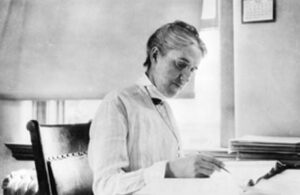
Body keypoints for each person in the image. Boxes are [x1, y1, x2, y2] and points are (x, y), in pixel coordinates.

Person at [88, 20, 225, 195]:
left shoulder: (163, 107)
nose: (186, 77)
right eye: (181, 64)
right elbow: (105, 187)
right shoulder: (117, 103)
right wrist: (169, 170)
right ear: (155, 56)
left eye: (192, 69)